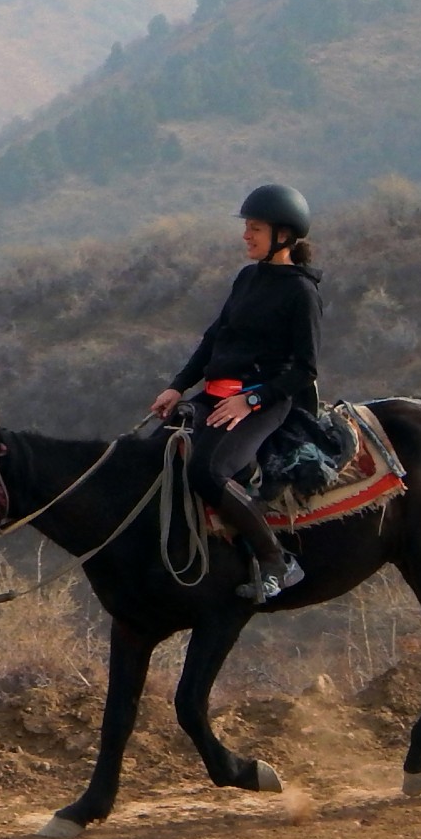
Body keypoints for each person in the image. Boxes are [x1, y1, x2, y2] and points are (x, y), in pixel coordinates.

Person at [147, 184, 324, 603]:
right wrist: (177, 386)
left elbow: (305, 369)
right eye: (247, 227)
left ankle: (278, 560)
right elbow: (214, 338)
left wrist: (252, 400)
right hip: (216, 392)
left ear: (283, 235)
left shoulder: (301, 293)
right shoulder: (247, 277)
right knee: (152, 455)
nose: (246, 235)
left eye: (255, 228)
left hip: (266, 401)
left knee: (208, 470)